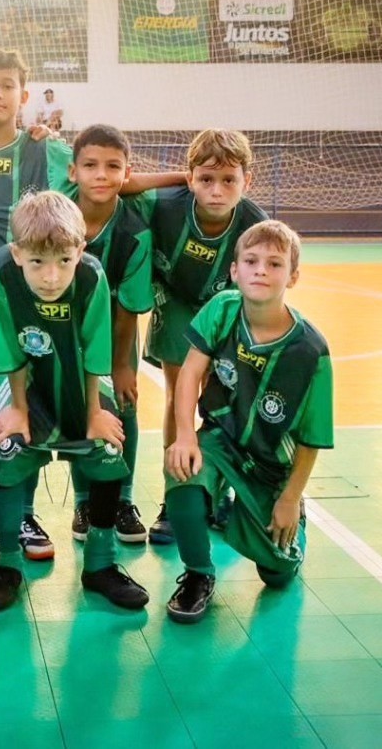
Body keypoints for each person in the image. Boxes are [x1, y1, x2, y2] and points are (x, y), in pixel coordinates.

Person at [0, 47, 183, 566]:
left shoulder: (52, 152)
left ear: (25, 95)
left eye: (7, 85)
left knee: (39, 406)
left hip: (38, 313)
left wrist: (183, 179)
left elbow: (112, 179)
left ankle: (34, 513)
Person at [0, 191, 150, 612]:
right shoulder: (2, 271)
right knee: (8, 447)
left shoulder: (91, 276)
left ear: (81, 250)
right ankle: (8, 564)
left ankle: (100, 563)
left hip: (81, 381)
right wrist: (18, 408)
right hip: (26, 381)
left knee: (107, 448)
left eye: (64, 261)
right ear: (17, 253)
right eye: (37, 262)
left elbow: (97, 350)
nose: (51, 276)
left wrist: (94, 413)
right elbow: (6, 344)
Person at [163, 220, 333, 623]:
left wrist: (289, 498)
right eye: (251, 261)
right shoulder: (223, 310)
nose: (261, 270)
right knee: (182, 472)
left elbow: (311, 439)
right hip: (221, 440)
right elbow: (190, 373)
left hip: (272, 462)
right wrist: (185, 436)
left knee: (276, 575)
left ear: (293, 276)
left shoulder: (311, 352)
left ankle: (286, 523)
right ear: (234, 270)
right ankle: (198, 574)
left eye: (274, 264)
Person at [132, 129, 268, 545]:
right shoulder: (166, 204)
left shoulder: (256, 225)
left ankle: (216, 491)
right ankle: (176, 497)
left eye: (229, 180)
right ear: (190, 178)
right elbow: (120, 184)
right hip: (176, 300)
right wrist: (177, 177)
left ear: (248, 181)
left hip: (226, 307)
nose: (217, 190)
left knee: (222, 400)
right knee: (180, 396)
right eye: (205, 179)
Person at [66, 126, 153, 545]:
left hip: (115, 331)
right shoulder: (59, 215)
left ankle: (123, 499)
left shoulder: (134, 232)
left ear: (127, 173)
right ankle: (84, 500)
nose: (101, 175)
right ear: (73, 171)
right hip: (66, 328)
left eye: (113, 166)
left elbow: (128, 309)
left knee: (123, 405)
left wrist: (120, 365)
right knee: (79, 408)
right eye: (90, 165)